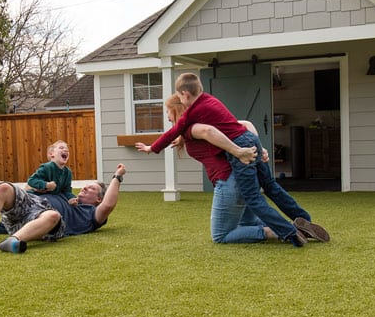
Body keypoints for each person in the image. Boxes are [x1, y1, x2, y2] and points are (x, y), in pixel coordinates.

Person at [136, 72, 326, 247]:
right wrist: (260, 149)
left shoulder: (191, 120)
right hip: (249, 141)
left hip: (229, 175)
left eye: (168, 112)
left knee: (243, 210)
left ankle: (289, 233)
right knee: (270, 189)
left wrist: (152, 148)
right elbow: (245, 124)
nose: (168, 118)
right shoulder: (209, 101)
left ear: (184, 97)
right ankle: (303, 220)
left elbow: (197, 131)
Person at [0, 164, 126, 254]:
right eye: (85, 186)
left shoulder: (91, 214)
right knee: (4, 188)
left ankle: (12, 241)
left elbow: (109, 205)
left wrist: (117, 177)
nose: (85, 188)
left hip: (47, 223)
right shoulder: (67, 195)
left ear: (98, 199)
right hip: (29, 206)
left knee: (53, 215)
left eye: (91, 189)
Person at [27, 140, 77, 205]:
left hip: (53, 198)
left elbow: (67, 191)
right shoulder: (46, 167)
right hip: (36, 196)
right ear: (51, 154)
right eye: (61, 148)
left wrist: (71, 198)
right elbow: (31, 180)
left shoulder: (68, 172)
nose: (66, 150)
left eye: (67, 149)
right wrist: (46, 185)